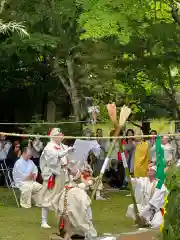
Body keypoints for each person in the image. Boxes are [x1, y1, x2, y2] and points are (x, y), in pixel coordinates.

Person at [38, 127, 74, 229]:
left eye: (61, 134)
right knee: (49, 196)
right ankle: (43, 220)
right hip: (53, 175)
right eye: (58, 134)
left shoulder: (63, 146)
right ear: (53, 136)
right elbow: (55, 157)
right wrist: (67, 151)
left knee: (63, 196)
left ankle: (63, 220)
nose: (61, 136)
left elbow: (67, 158)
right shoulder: (49, 147)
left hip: (63, 173)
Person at [52, 168, 97, 240]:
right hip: (72, 210)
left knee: (69, 229)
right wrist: (93, 180)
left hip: (66, 211)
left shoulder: (67, 187)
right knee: (84, 220)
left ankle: (67, 237)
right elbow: (89, 183)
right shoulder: (77, 187)